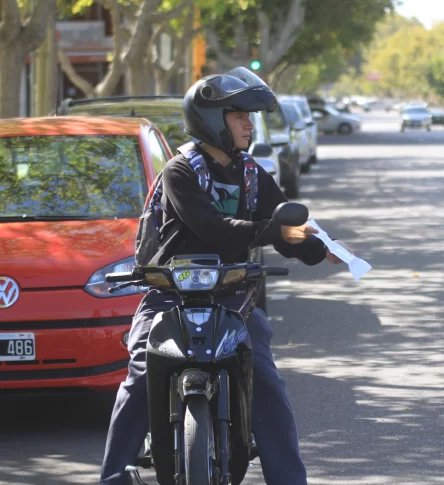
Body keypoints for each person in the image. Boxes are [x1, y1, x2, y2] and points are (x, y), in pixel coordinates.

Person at [99, 67, 351, 485]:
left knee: (265, 380)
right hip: (169, 295)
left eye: (249, 117)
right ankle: (112, 477)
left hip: (233, 297)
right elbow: (212, 226)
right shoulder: (179, 171)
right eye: (240, 117)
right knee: (142, 371)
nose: (249, 125)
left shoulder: (252, 173)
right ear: (213, 121)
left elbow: (284, 224)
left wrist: (319, 248)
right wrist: (273, 231)